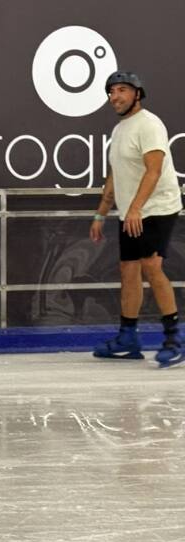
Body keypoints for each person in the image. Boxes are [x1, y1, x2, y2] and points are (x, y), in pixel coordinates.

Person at [90, 71, 182, 368]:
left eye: (121, 90)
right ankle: (128, 337)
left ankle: (174, 339)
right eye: (111, 92)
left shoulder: (149, 125)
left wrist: (135, 208)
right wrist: (101, 213)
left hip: (157, 207)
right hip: (133, 210)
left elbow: (154, 170)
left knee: (151, 266)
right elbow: (115, 175)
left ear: (137, 94)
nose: (114, 97)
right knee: (128, 269)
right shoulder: (120, 130)